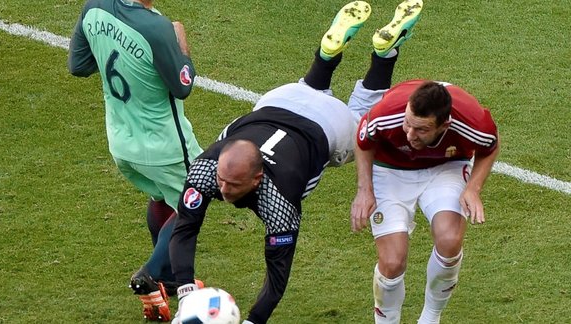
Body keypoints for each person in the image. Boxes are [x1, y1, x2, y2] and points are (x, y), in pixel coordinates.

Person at [167, 2, 382, 323]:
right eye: (222, 180)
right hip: (276, 104)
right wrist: (186, 295)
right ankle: (329, 55)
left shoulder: (279, 204)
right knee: (313, 95)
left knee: (362, 123)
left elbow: (276, 278)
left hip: (322, 121)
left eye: (233, 185)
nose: (221, 189)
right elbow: (184, 229)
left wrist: (254, 320)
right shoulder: (205, 170)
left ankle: (382, 54)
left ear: (257, 180)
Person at [348, 1, 500, 323]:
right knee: (392, 263)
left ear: (445, 125)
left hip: (443, 169)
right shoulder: (387, 113)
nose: (410, 133)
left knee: (449, 240)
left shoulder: (473, 120)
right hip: (390, 170)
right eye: (408, 123)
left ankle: (430, 317)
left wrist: (473, 188)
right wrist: (364, 190)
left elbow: (490, 147)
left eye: (421, 129)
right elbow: (362, 142)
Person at [67, 0, 203, 321]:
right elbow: (183, 86)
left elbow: (78, 65)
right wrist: (181, 44)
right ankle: (150, 273)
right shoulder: (156, 28)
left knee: (161, 195)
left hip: (122, 141)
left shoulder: (93, 8)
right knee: (195, 199)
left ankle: (168, 279)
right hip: (164, 146)